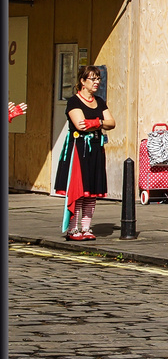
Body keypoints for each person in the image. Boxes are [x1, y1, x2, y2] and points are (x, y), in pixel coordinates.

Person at [56, 66, 114, 240]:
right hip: (79, 148)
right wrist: (100, 122)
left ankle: (86, 228)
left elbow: (112, 122)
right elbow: (80, 124)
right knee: (79, 190)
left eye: (98, 79)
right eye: (92, 79)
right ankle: (73, 229)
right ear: (82, 81)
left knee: (92, 191)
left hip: (96, 147)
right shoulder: (74, 101)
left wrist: (94, 123)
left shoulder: (100, 101)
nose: (96, 82)